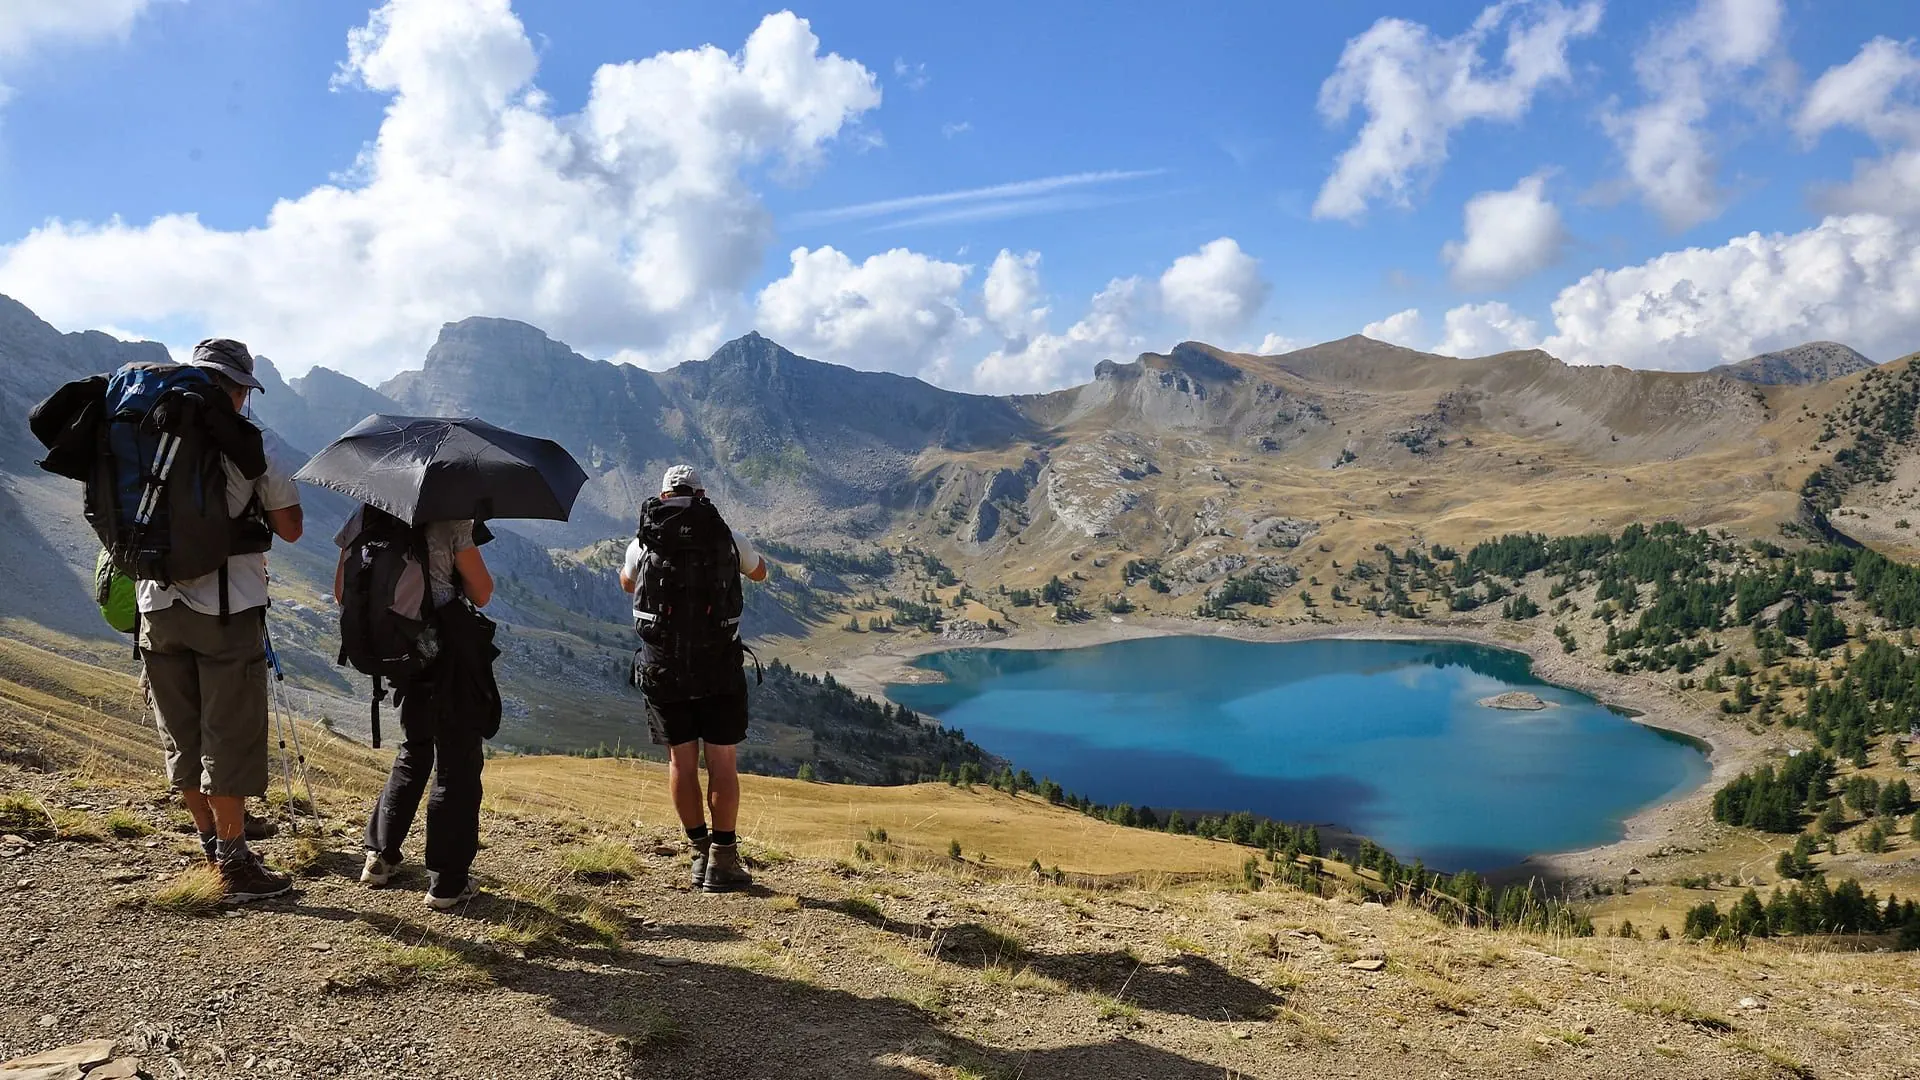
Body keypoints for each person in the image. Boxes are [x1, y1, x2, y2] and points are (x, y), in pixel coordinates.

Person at [136, 339, 304, 902]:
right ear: (238, 390)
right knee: (227, 733)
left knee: (181, 730)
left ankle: (211, 845)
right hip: (225, 606)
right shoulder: (254, 441)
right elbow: (291, 528)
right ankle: (234, 866)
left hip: (154, 604)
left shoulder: (143, 427)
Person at [334, 506, 496, 909]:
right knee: (457, 763)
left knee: (414, 748)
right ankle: (448, 882)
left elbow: (342, 591)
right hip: (446, 654)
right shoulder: (451, 516)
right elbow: (482, 592)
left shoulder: (366, 514)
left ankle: (379, 856)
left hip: (403, 655)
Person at [621, 465, 767, 893]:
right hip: (719, 668)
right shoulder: (727, 536)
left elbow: (627, 584)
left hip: (662, 669)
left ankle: (699, 851)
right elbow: (759, 572)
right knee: (722, 763)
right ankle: (724, 859)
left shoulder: (644, 540)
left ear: (663, 496)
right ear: (701, 494)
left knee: (681, 764)